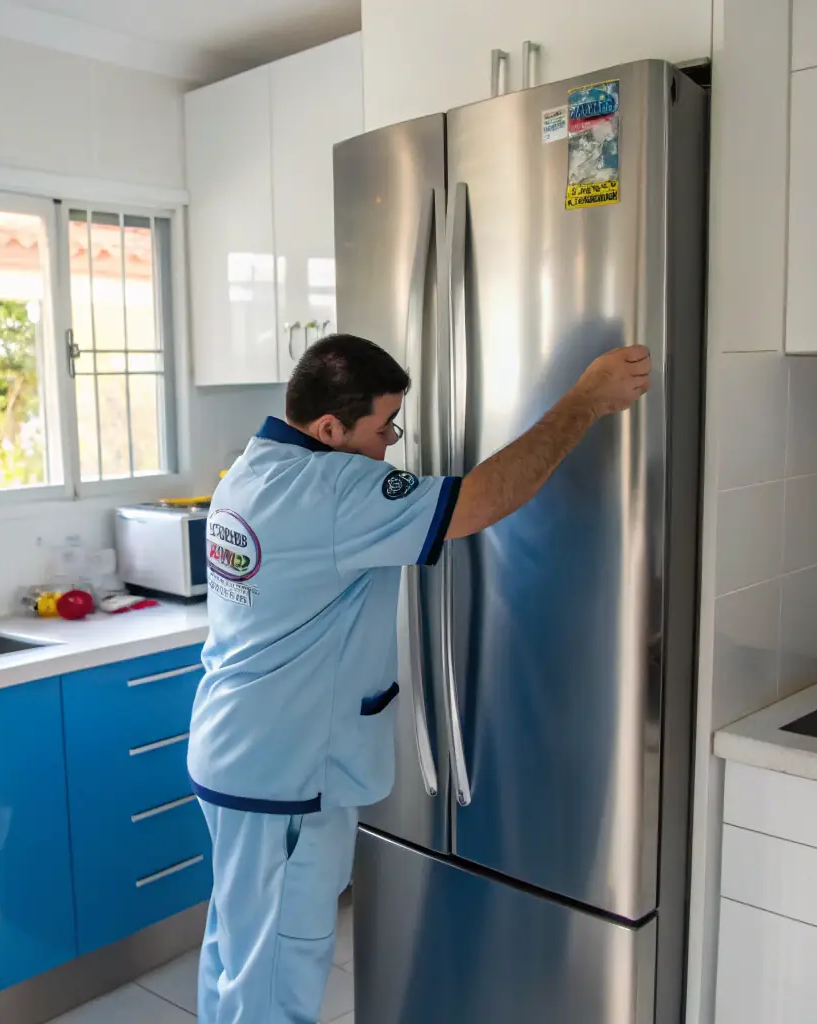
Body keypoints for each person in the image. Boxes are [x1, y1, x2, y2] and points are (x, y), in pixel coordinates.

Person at [188, 333, 652, 1024]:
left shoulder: (253, 471)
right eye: (381, 429)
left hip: (238, 755)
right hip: (286, 774)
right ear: (327, 429)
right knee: (278, 974)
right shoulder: (330, 488)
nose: (388, 448)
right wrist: (584, 401)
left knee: (237, 951)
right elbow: (481, 502)